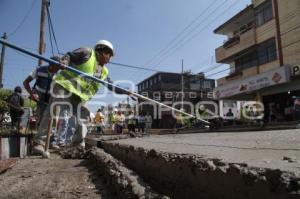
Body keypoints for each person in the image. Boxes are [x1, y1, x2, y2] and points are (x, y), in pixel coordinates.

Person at [33, 40, 132, 156]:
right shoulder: (87, 52)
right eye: (109, 55)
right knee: (55, 110)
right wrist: (65, 61)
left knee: (83, 116)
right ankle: (40, 142)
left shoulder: (104, 71)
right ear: (103, 51)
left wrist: (125, 91)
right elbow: (69, 55)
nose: (110, 59)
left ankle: (77, 145)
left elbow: (111, 86)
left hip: (78, 96)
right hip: (64, 85)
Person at [23, 56, 61, 126]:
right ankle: (40, 132)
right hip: (40, 95)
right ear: (51, 65)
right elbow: (25, 82)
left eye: (59, 67)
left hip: (52, 96)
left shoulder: (59, 74)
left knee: (54, 117)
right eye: (57, 67)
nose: (58, 69)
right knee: (41, 117)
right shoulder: (39, 70)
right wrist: (32, 94)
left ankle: (52, 133)